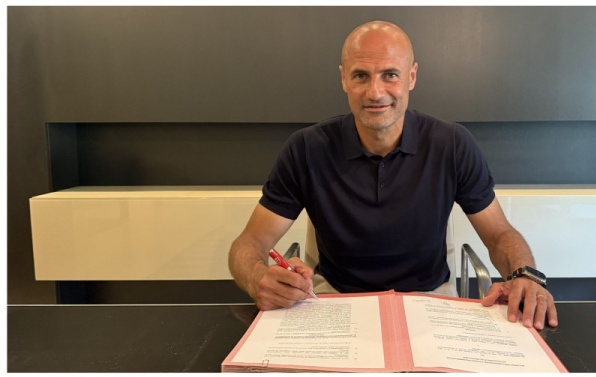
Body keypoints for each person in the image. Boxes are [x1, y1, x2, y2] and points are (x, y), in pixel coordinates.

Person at [229, 20, 558, 330]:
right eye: (361, 76)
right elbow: (250, 242)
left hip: (429, 298)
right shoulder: (306, 148)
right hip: (336, 299)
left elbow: (499, 234)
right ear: (343, 79)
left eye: (390, 75)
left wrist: (524, 276)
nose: (375, 92)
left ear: (411, 76)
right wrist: (258, 277)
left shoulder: (452, 144)